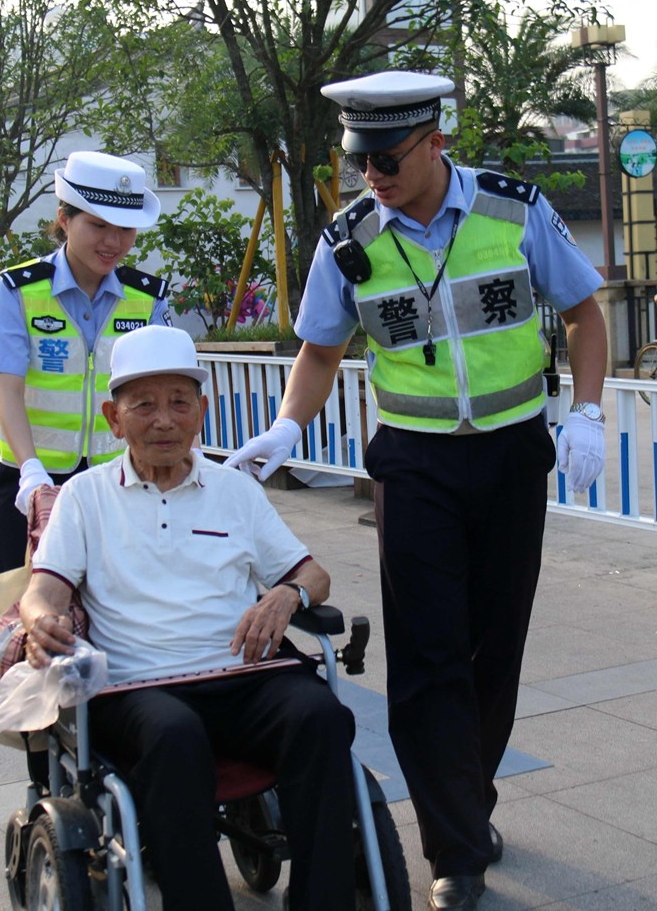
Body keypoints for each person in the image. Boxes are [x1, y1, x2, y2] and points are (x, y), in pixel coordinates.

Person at [225, 71, 608, 911]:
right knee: (430, 658)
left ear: (436, 143)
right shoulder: (349, 239)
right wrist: (291, 425)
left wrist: (585, 411)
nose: (374, 176)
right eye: (361, 159)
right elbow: (321, 350)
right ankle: (455, 850)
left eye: (389, 158)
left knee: (492, 649)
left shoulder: (512, 210)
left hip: (510, 458)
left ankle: (469, 806)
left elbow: (584, 309)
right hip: (415, 465)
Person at [18, 324, 356, 911]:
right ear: (113, 417)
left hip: (243, 676)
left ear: (202, 410)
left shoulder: (235, 490)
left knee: (321, 716)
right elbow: (43, 589)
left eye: (179, 402)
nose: (165, 419)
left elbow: (312, 574)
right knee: (175, 738)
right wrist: (40, 618)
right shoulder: (84, 496)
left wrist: (285, 598)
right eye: (143, 405)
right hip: (141, 688)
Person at [0, 150, 171, 574]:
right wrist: (30, 472)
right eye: (97, 225)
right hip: (30, 482)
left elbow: (166, 392)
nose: (113, 242)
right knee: (26, 613)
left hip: (120, 481)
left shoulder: (148, 298)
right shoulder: (17, 291)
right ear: (64, 219)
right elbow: (6, 387)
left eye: (124, 228)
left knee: (119, 611)